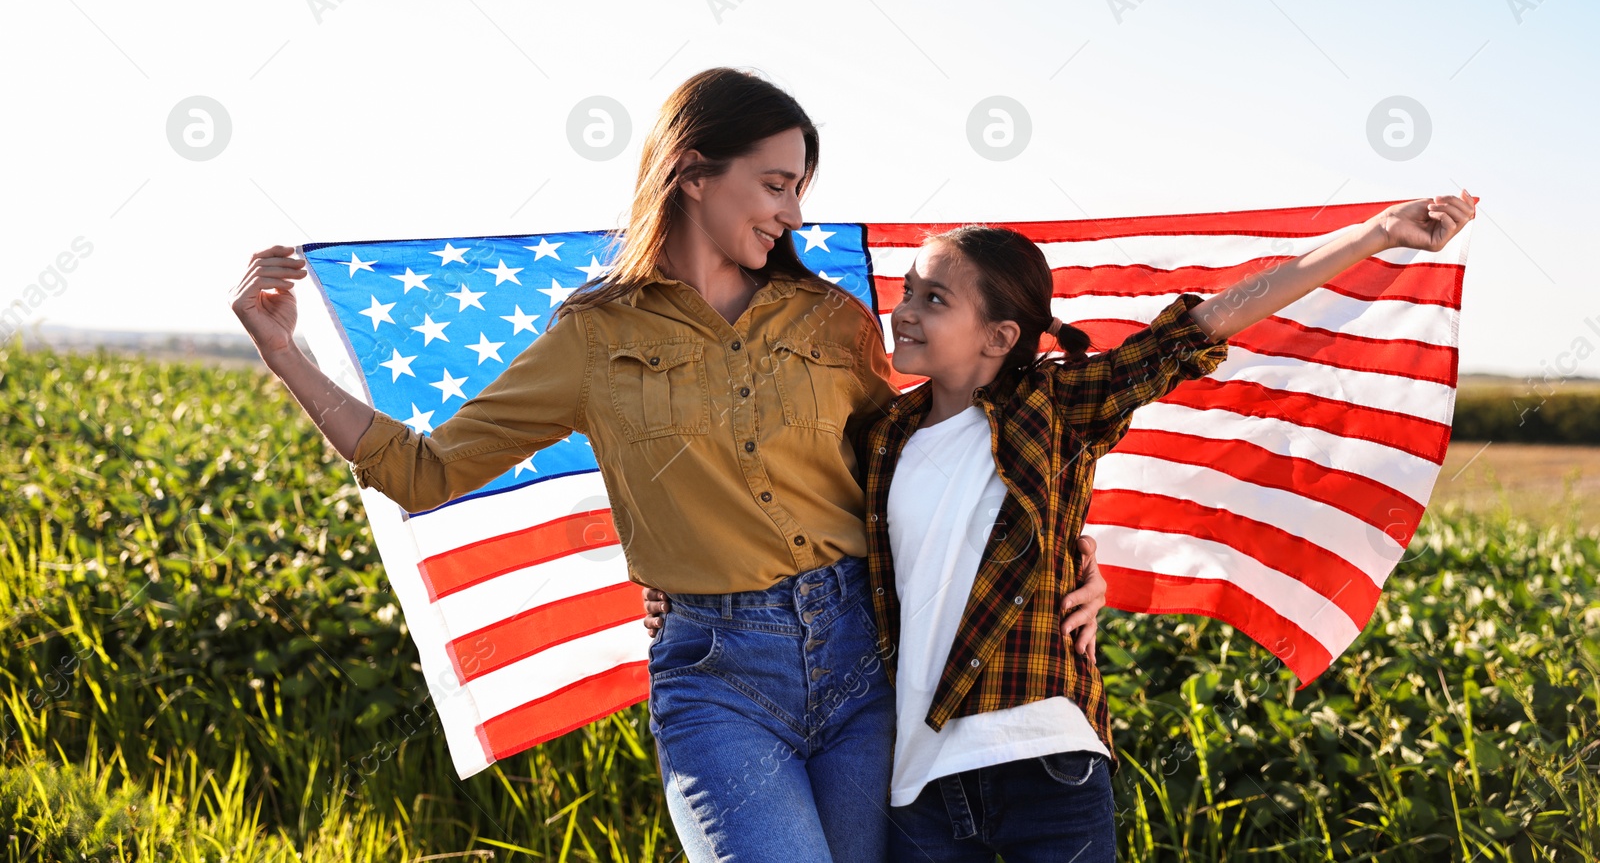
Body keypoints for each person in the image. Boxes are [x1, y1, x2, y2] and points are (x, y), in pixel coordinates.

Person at [228, 65, 1109, 863]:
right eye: (774, 184)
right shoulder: (595, 336)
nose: (792, 213)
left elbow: (942, 453)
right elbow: (424, 472)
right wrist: (286, 354)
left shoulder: (832, 320)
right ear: (691, 172)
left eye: (799, 189)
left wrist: (1071, 558)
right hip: (718, 678)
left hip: (863, 664)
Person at [847, 192, 1475, 862]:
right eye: (909, 291)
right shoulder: (884, 432)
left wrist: (1373, 235)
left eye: (934, 300)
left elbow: (1198, 329)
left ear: (1000, 336)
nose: (905, 311)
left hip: (1043, 755)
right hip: (921, 777)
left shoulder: (1054, 405)